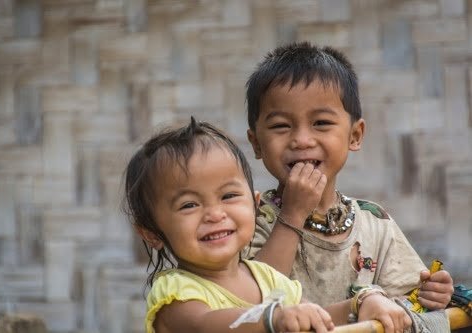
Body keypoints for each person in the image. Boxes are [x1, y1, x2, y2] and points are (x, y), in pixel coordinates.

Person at [243, 41, 454, 332]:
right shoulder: (247, 219)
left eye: (320, 123)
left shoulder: (374, 222)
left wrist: (429, 296)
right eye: (281, 126)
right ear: (256, 143)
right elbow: (253, 303)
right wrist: (291, 215)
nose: (302, 139)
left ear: (354, 135)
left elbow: (404, 308)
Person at [123, 118, 338, 333]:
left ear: (255, 206)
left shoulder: (268, 277)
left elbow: (319, 318)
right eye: (189, 205)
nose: (215, 215)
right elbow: (204, 325)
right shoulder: (174, 294)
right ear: (151, 234)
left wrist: (361, 303)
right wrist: (273, 317)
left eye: (228, 196)